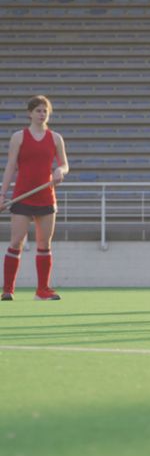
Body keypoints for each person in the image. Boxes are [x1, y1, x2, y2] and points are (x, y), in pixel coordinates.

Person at [1, 95, 69, 301]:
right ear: (30, 113)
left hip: (46, 198)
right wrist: (2, 194)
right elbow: (11, 167)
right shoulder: (19, 137)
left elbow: (65, 164)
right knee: (15, 242)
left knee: (44, 244)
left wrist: (60, 171)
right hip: (22, 196)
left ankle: (42, 290)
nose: (42, 114)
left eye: (45, 111)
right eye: (38, 110)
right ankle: (8, 290)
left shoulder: (56, 138)